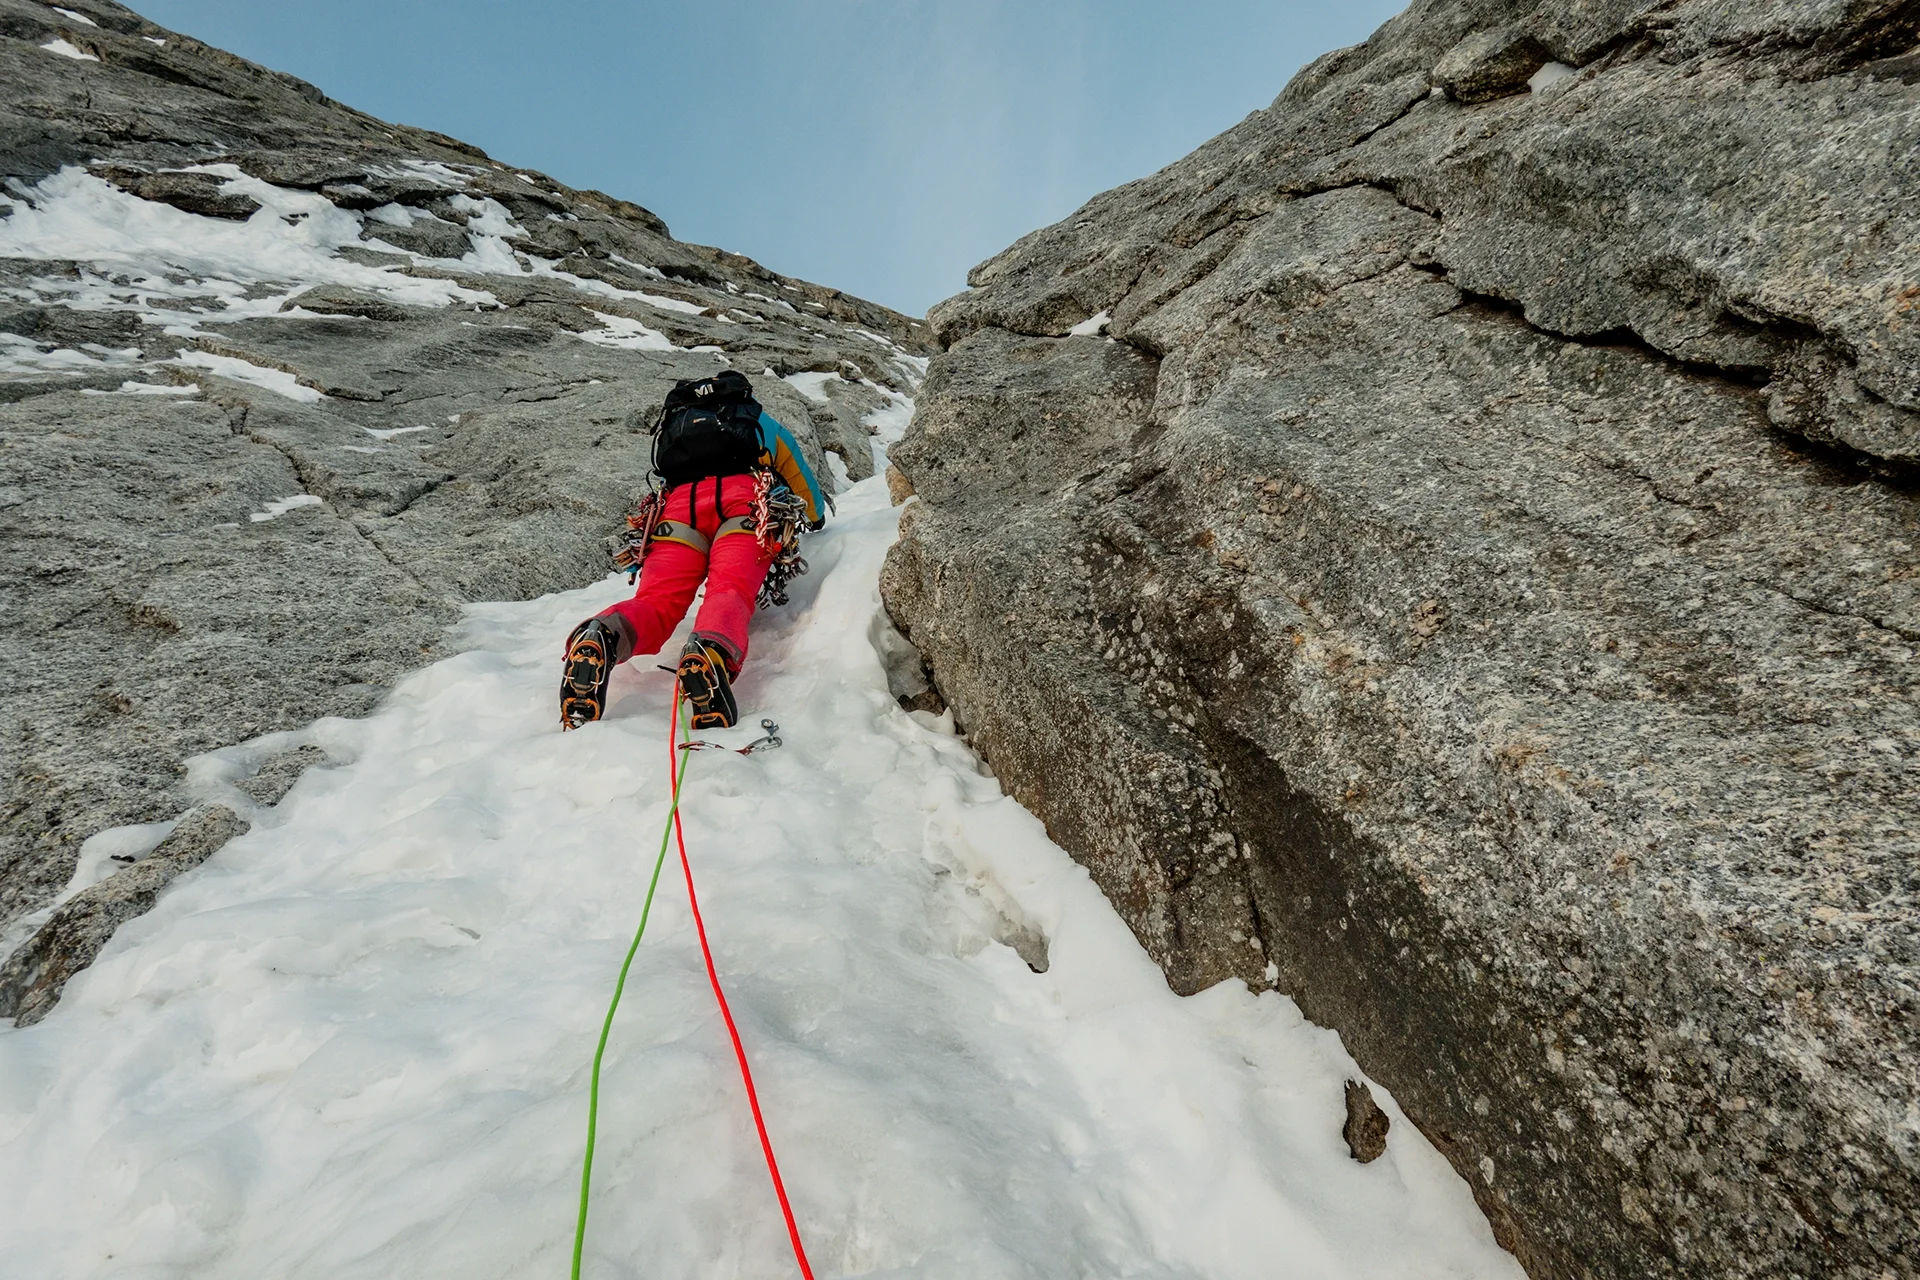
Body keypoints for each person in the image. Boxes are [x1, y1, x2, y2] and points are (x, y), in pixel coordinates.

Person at [560, 371, 826, 731]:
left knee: (657, 600)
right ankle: (710, 654)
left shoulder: (678, 424)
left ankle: (604, 635)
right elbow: (794, 467)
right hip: (746, 505)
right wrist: (815, 515)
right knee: (729, 588)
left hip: (678, 511)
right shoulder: (754, 419)